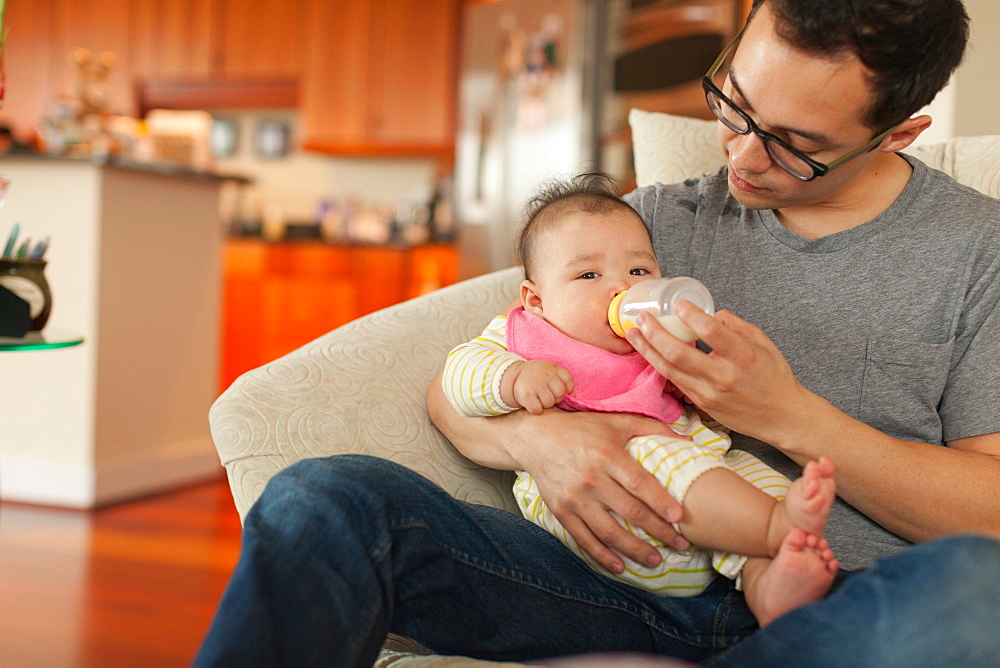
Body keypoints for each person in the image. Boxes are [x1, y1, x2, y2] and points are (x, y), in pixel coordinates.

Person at [196, 1, 1000, 665]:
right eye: (735, 105)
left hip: (846, 601)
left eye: (795, 145)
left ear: (898, 133)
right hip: (617, 586)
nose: (743, 157)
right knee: (323, 497)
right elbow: (461, 386)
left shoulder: (979, 255)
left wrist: (787, 414)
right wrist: (543, 443)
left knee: (978, 586)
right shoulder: (645, 228)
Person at [442, 172, 839, 627]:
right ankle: (773, 527)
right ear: (536, 300)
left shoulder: (656, 342)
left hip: (702, 509)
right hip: (611, 520)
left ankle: (767, 580)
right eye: (589, 274)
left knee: (750, 470)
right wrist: (513, 378)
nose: (622, 289)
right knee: (653, 452)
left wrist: (706, 382)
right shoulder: (526, 338)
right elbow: (459, 374)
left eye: (639, 271)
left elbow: (704, 413)